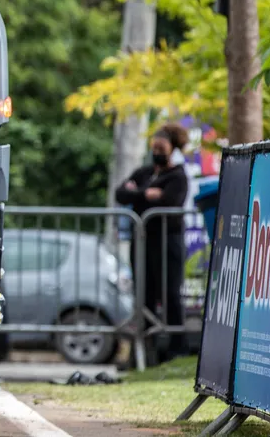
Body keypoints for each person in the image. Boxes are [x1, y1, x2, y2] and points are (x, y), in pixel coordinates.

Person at [114, 122, 191, 365]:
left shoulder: (178, 176)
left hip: (168, 242)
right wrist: (147, 194)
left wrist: (139, 194)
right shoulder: (145, 173)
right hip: (143, 242)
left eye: (161, 147)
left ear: (172, 148)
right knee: (144, 293)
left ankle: (175, 347)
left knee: (169, 293)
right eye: (154, 146)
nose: (156, 151)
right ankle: (146, 350)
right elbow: (121, 194)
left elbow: (170, 201)